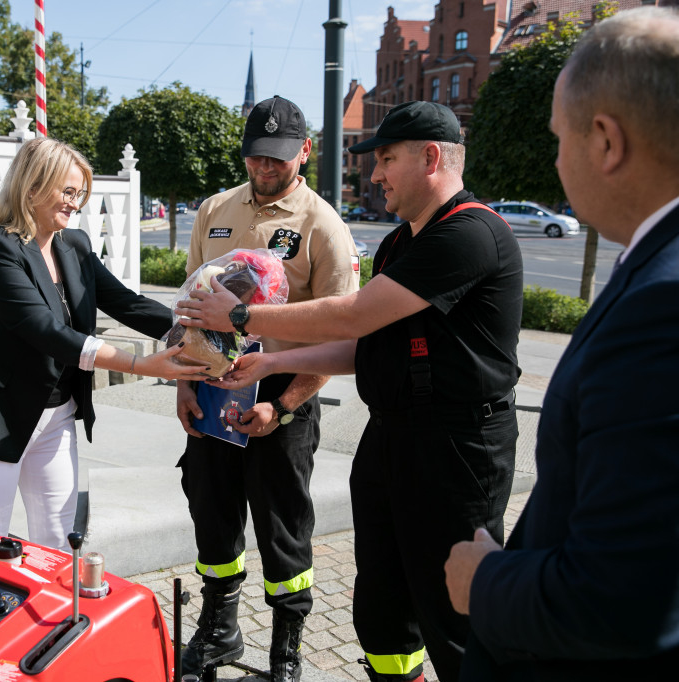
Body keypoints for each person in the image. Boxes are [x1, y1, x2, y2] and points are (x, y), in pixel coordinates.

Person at [179, 100, 523, 682]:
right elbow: (364, 348)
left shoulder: (470, 232)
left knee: (457, 611)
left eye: (386, 159)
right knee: (382, 605)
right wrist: (263, 363)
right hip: (391, 437)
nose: (376, 174)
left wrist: (242, 317)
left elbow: (354, 314)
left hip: (457, 450)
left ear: (431, 157)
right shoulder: (398, 245)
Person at [444, 8, 679, 680]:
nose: (553, 157)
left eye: (557, 137)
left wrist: (485, 580)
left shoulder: (661, 307)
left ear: (605, 140)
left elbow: (622, 597)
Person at [0, 137, 206, 553]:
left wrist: (200, 333)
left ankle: (55, 617)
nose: (75, 203)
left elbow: (128, 303)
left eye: (79, 194)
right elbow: (45, 330)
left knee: (57, 535)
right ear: (32, 188)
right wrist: (142, 364)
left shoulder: (76, 245)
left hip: (58, 411)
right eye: (67, 192)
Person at [176, 96, 360, 682]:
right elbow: (190, 305)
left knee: (282, 525)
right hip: (210, 386)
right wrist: (182, 382)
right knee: (211, 510)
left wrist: (282, 405)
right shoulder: (215, 210)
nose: (264, 168)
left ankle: (287, 644)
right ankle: (220, 630)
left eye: (277, 159)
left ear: (304, 151)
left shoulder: (322, 226)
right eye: (256, 156)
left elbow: (341, 332)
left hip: (279, 394)